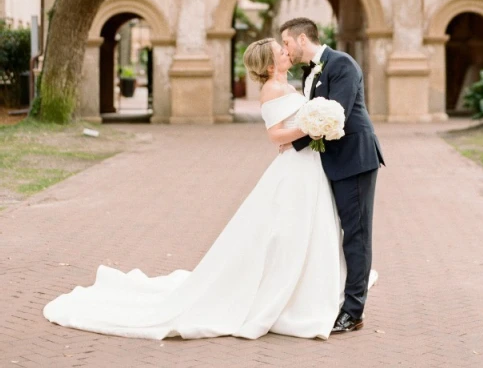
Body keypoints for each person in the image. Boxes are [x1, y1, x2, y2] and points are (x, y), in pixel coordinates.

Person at [42, 38, 371, 340]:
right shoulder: (272, 89)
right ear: (271, 65)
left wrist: (313, 124)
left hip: (310, 168)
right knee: (286, 232)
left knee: (313, 229)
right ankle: (289, 297)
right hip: (295, 170)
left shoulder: (288, 82)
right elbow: (274, 135)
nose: (286, 51)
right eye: (280, 50)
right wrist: (309, 127)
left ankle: (314, 291)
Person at [279, 17, 385, 334]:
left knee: (356, 234)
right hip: (332, 162)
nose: (285, 49)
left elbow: (333, 113)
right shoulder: (309, 73)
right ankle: (335, 297)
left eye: (286, 42)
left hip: (354, 159)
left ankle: (353, 311)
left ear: (301, 39)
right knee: (335, 233)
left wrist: (290, 138)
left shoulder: (342, 65)